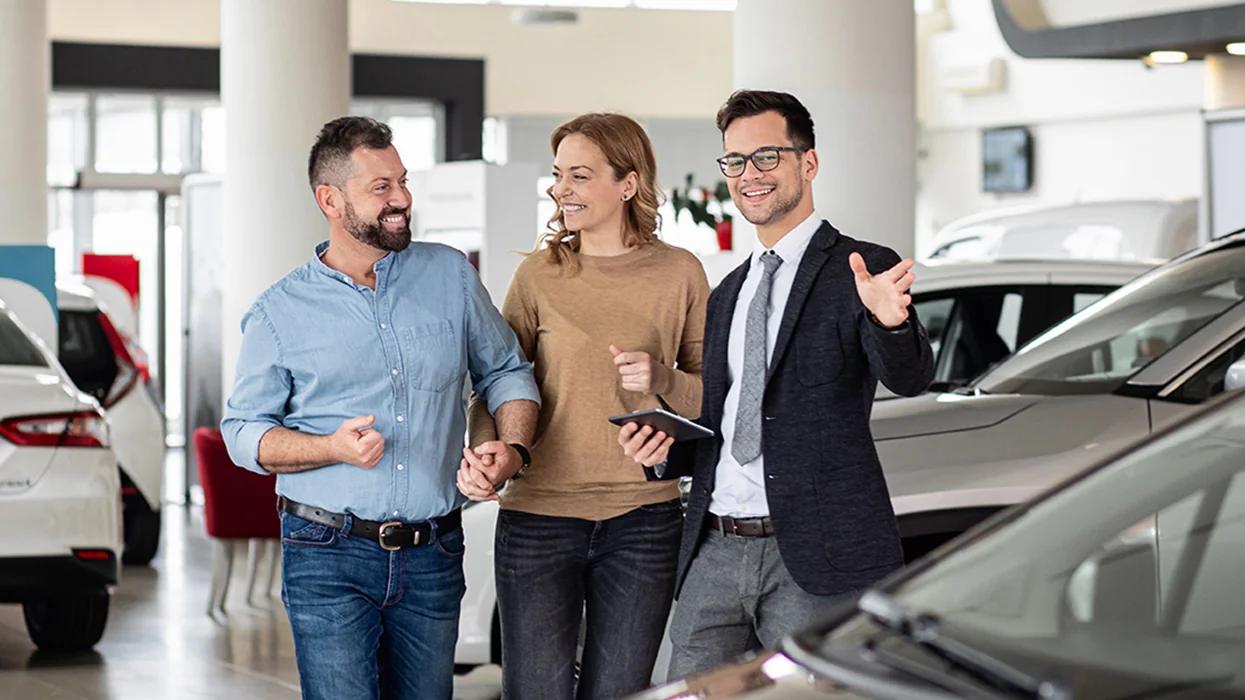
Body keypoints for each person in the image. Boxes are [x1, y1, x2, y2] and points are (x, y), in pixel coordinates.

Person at [619, 90, 935, 680]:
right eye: (734, 162)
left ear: (807, 164)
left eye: (766, 157)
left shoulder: (860, 268)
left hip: (814, 557)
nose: (748, 176)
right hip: (714, 546)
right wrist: (663, 452)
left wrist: (889, 321)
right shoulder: (729, 291)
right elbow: (730, 422)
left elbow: (911, 378)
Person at [221, 116, 540, 700]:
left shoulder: (450, 276)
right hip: (327, 554)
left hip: (435, 551)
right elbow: (243, 433)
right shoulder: (278, 311)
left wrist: (510, 450)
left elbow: (506, 371)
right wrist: (329, 448)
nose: (402, 200)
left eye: (403, 181)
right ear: (330, 200)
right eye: (381, 188)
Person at [460, 112, 709, 700]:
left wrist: (663, 379)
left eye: (578, 175)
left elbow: (710, 396)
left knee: (620, 692)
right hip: (538, 519)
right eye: (557, 175)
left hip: (645, 520)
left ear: (628, 183)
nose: (560, 189)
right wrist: (486, 448)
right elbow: (496, 383)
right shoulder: (538, 276)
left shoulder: (681, 273)